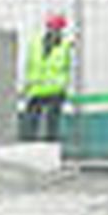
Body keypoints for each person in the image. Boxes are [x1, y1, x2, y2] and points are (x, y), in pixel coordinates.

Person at [22, 13, 73, 143]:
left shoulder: (65, 46)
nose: (54, 31)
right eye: (52, 27)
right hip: (36, 89)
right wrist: (27, 86)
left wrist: (62, 87)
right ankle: (29, 147)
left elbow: (65, 68)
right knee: (30, 123)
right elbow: (29, 65)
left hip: (55, 90)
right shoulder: (36, 44)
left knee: (52, 124)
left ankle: (50, 148)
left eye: (57, 28)